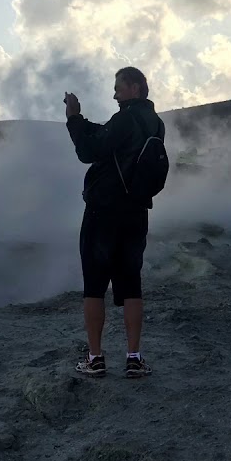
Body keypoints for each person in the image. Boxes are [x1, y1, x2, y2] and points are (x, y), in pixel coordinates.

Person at [63, 66, 165, 378]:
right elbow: (112, 140)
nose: (114, 93)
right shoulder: (155, 123)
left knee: (94, 285)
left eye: (119, 87)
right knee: (132, 284)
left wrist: (74, 119)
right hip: (136, 212)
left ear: (135, 88)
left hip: (104, 212)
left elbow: (90, 151)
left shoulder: (125, 119)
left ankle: (95, 358)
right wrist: (87, 124)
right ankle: (134, 357)